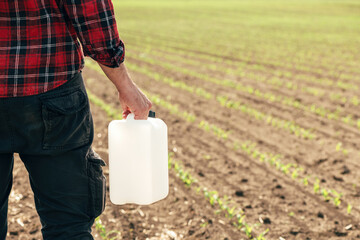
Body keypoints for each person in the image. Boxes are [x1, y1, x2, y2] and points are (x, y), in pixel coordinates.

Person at [0, 0, 151, 239]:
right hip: (51, 87)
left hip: (51, 91)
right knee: (68, 224)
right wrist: (125, 85)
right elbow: (90, 10)